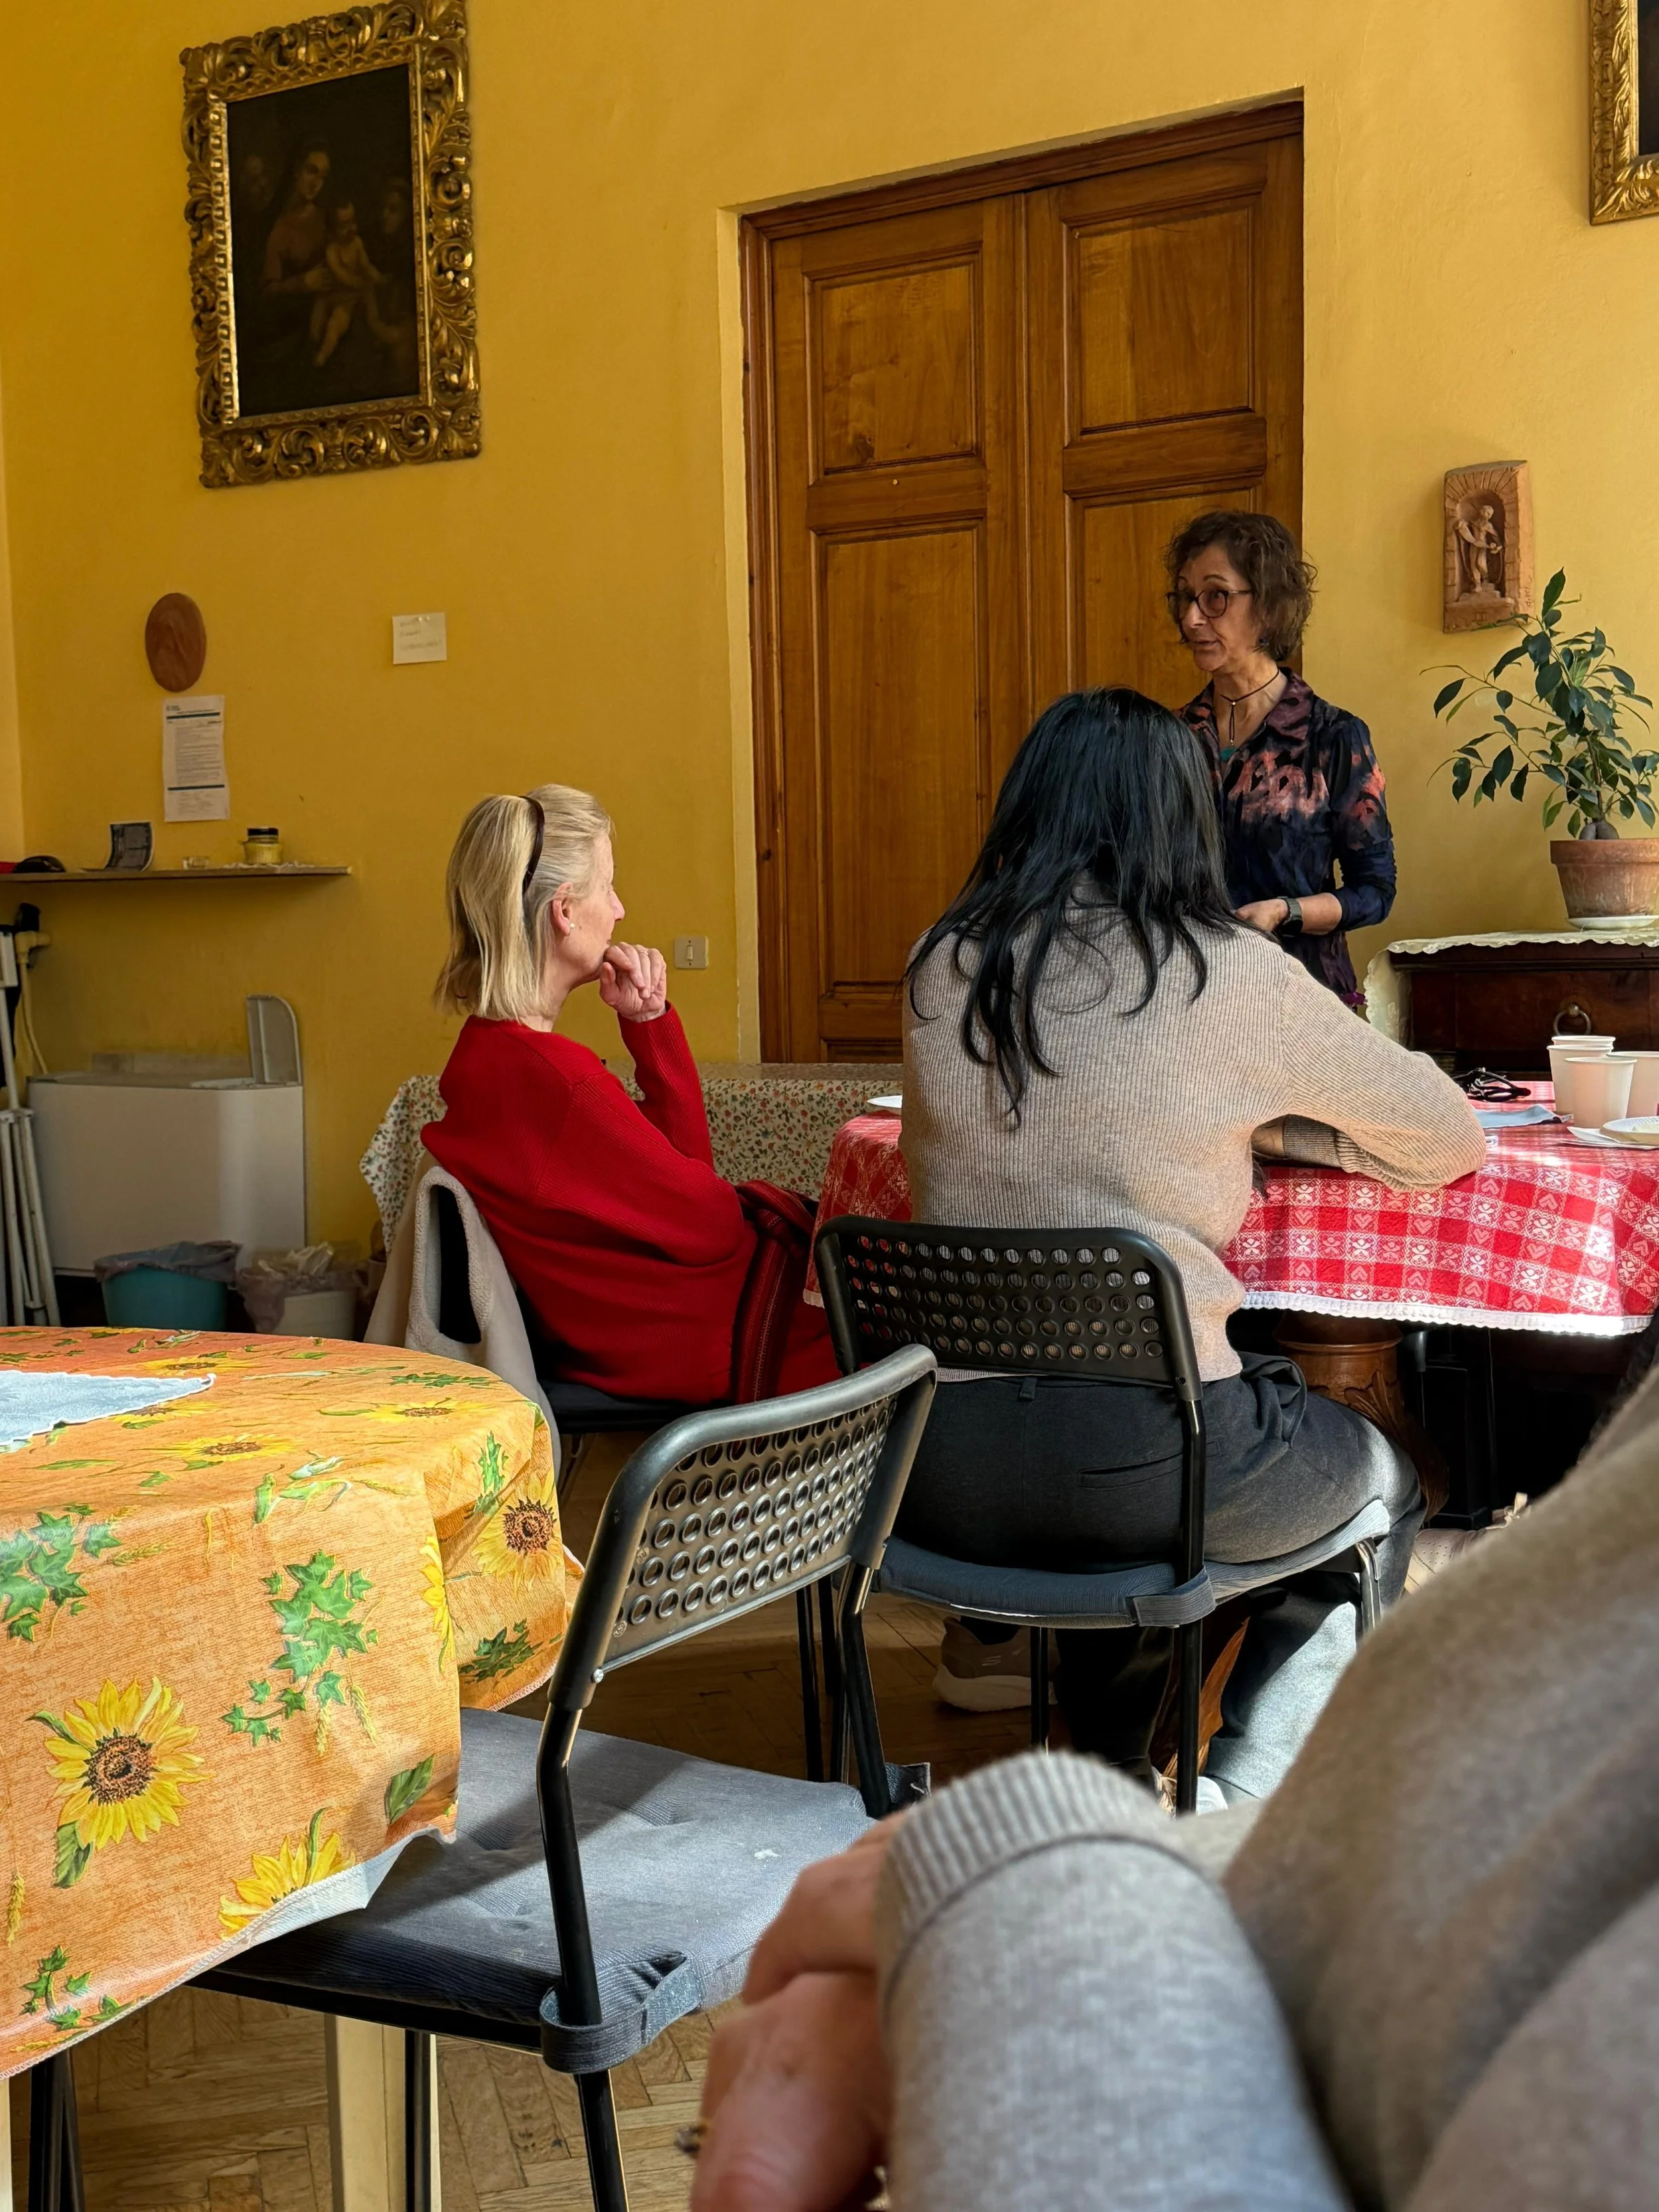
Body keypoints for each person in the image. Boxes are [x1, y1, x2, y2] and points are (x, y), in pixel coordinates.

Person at [689, 1361, 1659, 2212]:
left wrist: (1034, 1922)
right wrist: (1074, 1888)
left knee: (1163, 1481)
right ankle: (1246, 1782)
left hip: (915, 1461)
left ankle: (1136, 1761)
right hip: (1149, 1477)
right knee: (1350, 1481)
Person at [902, 689, 1484, 1788]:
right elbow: (1446, 1134)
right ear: (1181, 814)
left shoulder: (944, 964)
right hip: (1146, 1459)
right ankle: (1244, 1792)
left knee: (1136, 1464)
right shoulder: (1225, 972)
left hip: (938, 1461)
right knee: (1382, 1486)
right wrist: (1278, 1128)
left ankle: (1114, 1774)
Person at [422, 784, 837, 1406]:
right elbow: (714, 1225)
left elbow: (687, 1167)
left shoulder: (488, 1057)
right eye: (609, 886)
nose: (619, 909)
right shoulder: (561, 1082)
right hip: (707, 1343)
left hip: (636, 1340)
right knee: (898, 1317)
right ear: (565, 910)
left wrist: (648, 1025)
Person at [1168, 510, 1396, 1005]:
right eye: (1186, 597)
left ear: (1269, 605)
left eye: (1215, 596)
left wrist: (1282, 911)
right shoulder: (1168, 739)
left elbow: (1375, 891)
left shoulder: (1333, 737)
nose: (1192, 618)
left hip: (1302, 1004)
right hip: (1191, 1002)